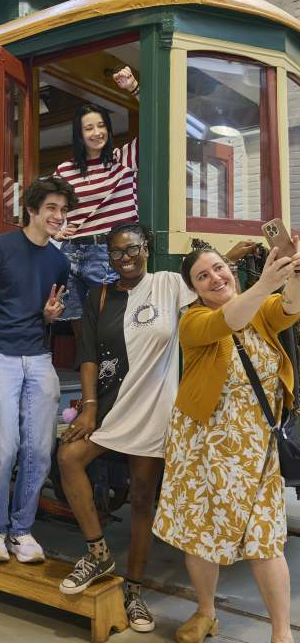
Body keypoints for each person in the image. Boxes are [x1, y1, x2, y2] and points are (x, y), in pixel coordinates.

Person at [56, 223, 256, 633]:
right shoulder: (101, 295)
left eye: (132, 249)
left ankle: (134, 590)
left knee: (144, 499)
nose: (124, 258)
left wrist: (231, 257)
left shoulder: (168, 284)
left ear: (146, 248)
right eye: (115, 252)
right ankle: (97, 553)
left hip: (153, 408)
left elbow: (209, 281)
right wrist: (90, 408)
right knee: (69, 456)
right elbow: (89, 356)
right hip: (111, 403)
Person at [153, 246, 300, 643]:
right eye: (203, 276)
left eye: (218, 268)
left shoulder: (262, 309)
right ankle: (205, 612)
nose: (215, 277)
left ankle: (281, 633)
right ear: (194, 290)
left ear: (230, 268)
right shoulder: (193, 320)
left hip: (257, 447)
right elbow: (227, 321)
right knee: (201, 532)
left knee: (265, 539)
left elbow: (288, 307)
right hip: (203, 444)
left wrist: (295, 276)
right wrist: (267, 283)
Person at [0, 176, 76, 563]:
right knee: (2, 448)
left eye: (63, 210)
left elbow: (47, 309)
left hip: (38, 357)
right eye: (51, 208)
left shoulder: (59, 260)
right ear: (31, 210)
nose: (58, 216)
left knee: (39, 449)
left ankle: (22, 530)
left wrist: (49, 316)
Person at [54, 67, 140, 350]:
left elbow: (160, 123)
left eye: (101, 125)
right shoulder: (65, 170)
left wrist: (134, 88)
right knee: (80, 328)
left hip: (107, 250)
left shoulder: (122, 159)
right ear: (79, 134)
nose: (96, 132)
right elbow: (48, 207)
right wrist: (57, 229)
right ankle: (86, 382)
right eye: (88, 128)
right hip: (71, 253)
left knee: (111, 330)